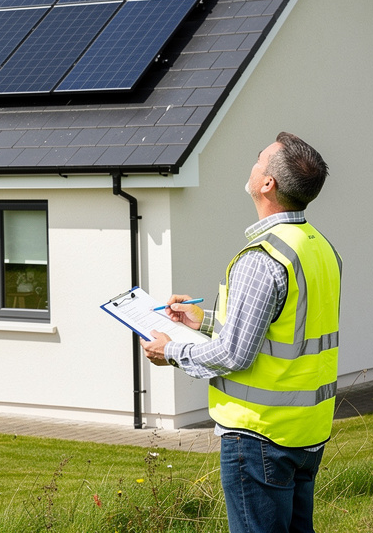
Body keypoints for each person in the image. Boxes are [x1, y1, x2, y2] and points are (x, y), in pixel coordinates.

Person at [142, 132, 340, 533]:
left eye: (258, 158)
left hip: (260, 436)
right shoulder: (319, 248)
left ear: (268, 184)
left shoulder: (262, 258)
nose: (251, 164)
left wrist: (173, 350)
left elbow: (235, 355)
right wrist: (205, 321)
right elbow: (286, 328)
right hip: (307, 434)